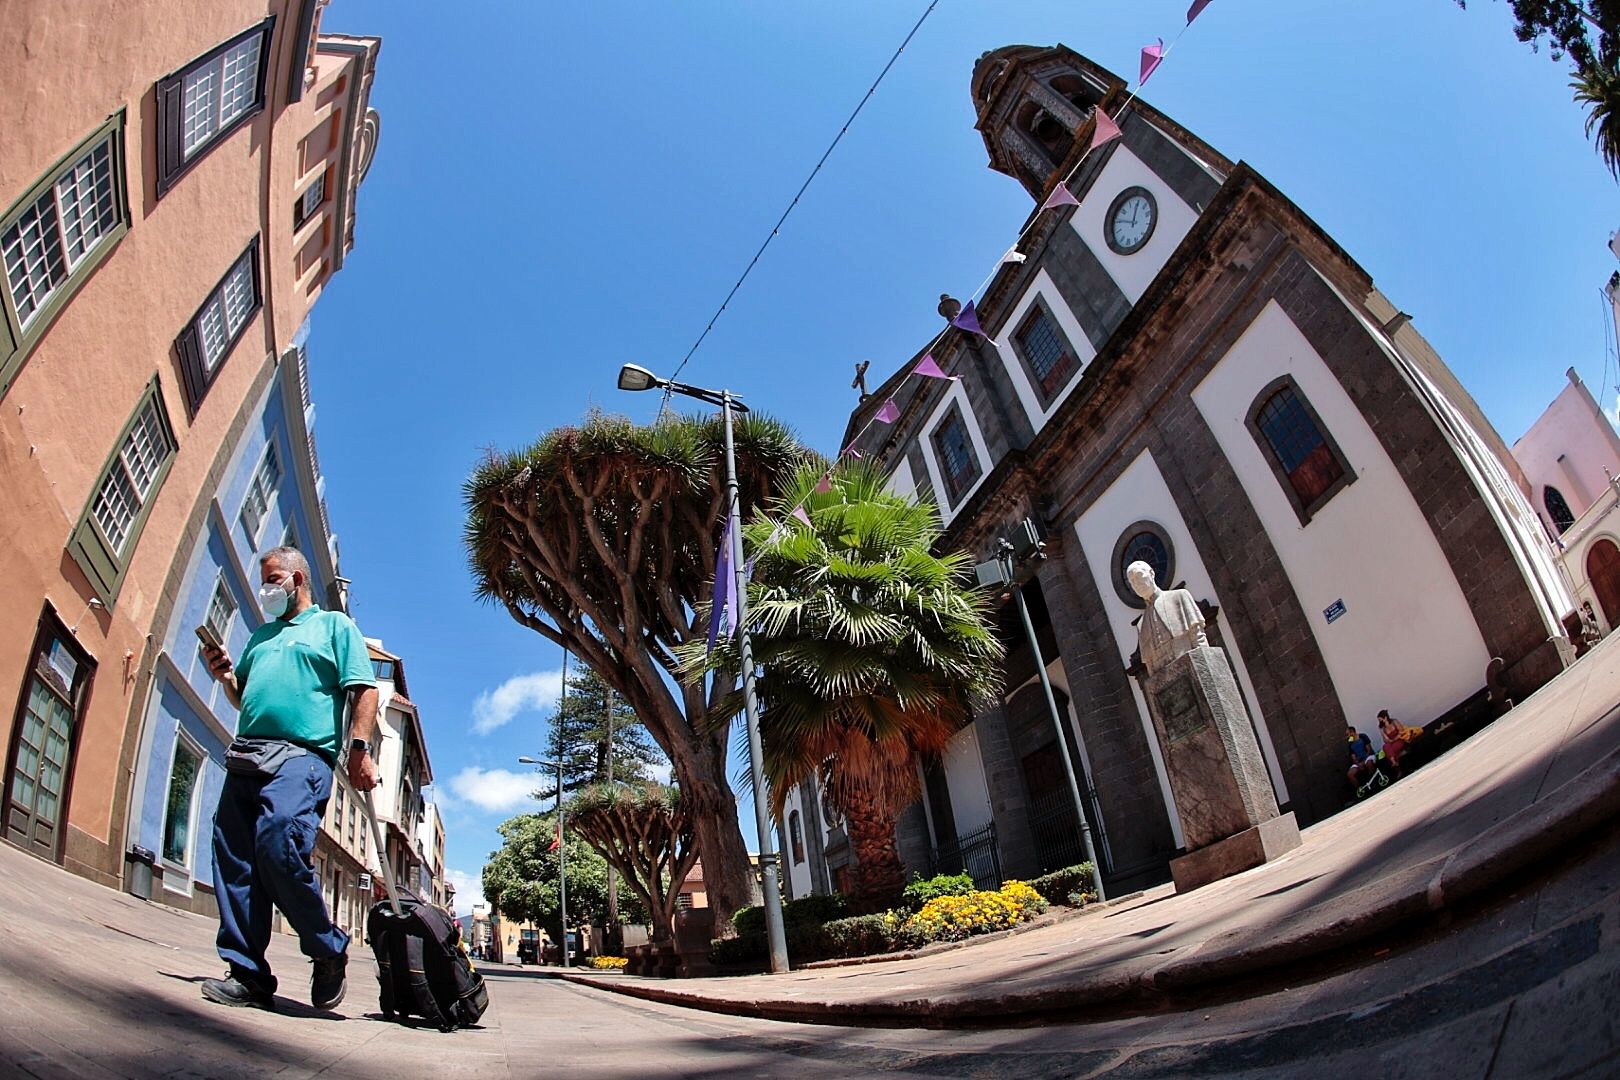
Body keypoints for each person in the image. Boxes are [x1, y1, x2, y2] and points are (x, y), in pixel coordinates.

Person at [198, 546, 379, 1011]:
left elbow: (362, 688)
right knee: (235, 858)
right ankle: (248, 976)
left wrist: (359, 750)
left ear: (298, 579)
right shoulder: (260, 637)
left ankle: (327, 947)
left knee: (279, 840)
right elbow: (245, 698)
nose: (266, 588)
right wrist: (224, 678)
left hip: (303, 755)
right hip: (248, 752)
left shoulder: (334, 626)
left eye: (273, 577)